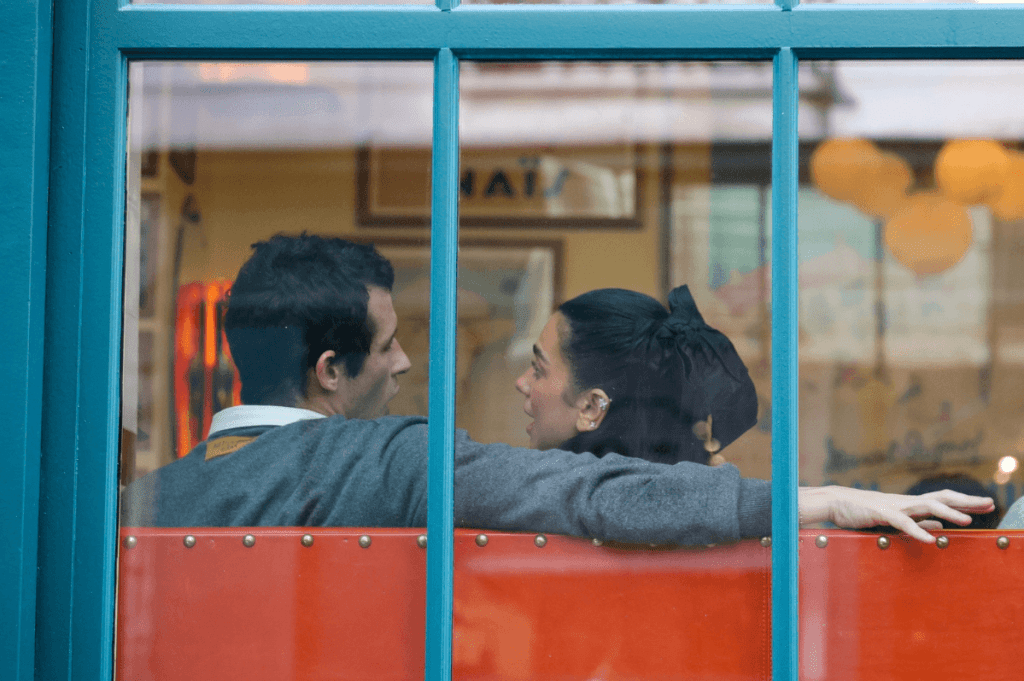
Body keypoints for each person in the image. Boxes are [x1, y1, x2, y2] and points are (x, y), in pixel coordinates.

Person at [121, 234, 993, 544]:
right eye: (387, 347)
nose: (402, 366)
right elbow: (595, 494)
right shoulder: (388, 458)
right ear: (329, 373)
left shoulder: (138, 501)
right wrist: (823, 500)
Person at [514, 284, 995, 541]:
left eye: (537, 369)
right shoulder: (721, 515)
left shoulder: (535, 500)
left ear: (593, 406)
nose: (522, 383)